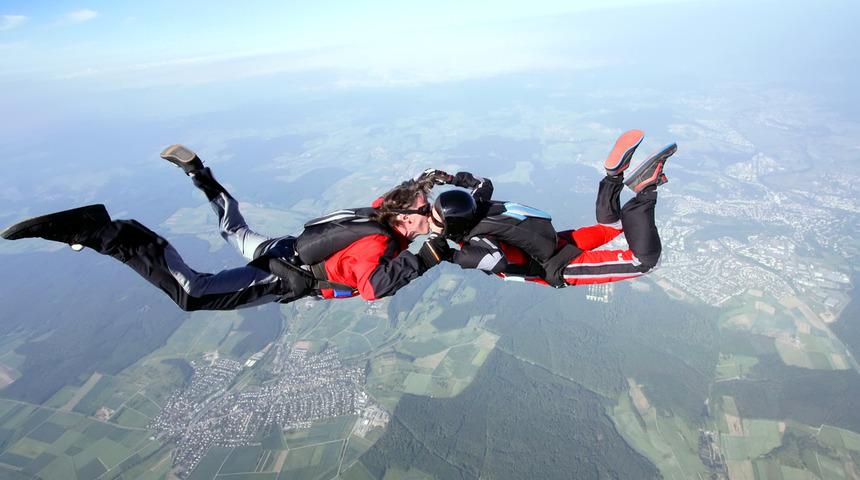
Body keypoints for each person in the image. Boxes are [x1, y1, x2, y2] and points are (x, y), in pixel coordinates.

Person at [1, 145, 451, 311]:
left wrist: (439, 183)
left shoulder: (377, 211)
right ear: (403, 216)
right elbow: (373, 287)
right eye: (422, 218)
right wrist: (431, 254)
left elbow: (405, 197)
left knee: (233, 230)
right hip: (281, 274)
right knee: (192, 293)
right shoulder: (377, 243)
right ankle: (108, 234)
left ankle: (200, 174)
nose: (423, 227)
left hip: (283, 246)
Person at [427, 130, 675, 287]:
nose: (432, 223)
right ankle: (613, 177)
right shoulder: (479, 204)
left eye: (436, 220)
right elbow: (483, 184)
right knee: (613, 227)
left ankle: (646, 190)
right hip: (557, 241)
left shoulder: (477, 241)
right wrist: (449, 179)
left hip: (561, 265)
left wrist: (448, 255)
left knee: (644, 262)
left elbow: (497, 261)